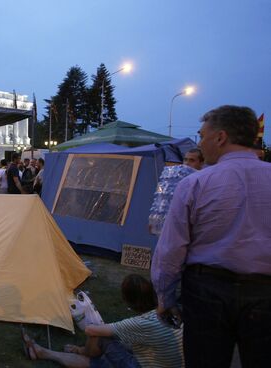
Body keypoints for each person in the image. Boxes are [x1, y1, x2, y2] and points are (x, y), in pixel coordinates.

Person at [151, 105, 271, 367]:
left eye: (202, 135)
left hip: (208, 292)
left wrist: (165, 297)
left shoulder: (195, 183)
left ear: (221, 137)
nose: (199, 143)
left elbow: (171, 248)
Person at [23, 274, 184, 368]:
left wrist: (86, 345)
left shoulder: (141, 323)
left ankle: (48, 353)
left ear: (127, 300)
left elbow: (91, 331)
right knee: (112, 340)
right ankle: (49, 352)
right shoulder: (172, 313)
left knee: (99, 337)